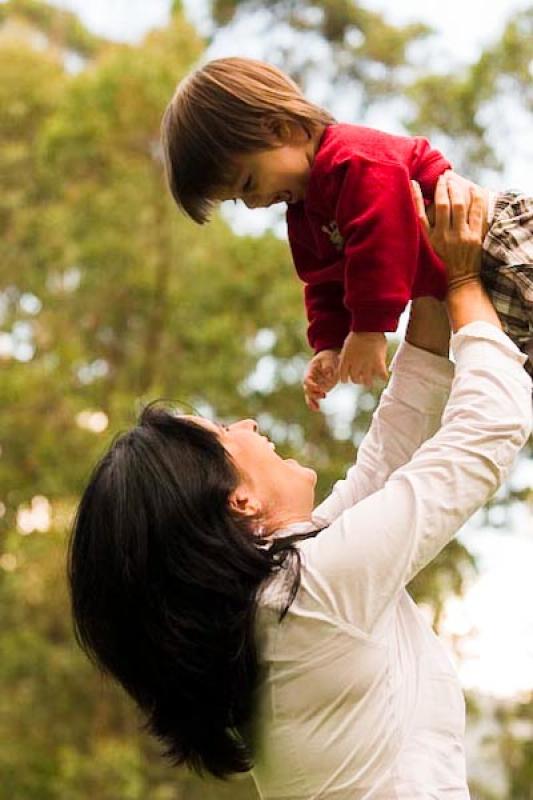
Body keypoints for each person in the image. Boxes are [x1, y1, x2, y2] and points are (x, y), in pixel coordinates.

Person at [68, 178, 531, 798]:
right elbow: (489, 428)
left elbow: (389, 460)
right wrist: (463, 285)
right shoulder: (305, 600)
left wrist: (427, 279)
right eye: (228, 432)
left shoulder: (280, 603)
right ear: (239, 501)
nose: (250, 425)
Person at [160, 56, 533, 408]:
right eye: (240, 201)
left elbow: (383, 235)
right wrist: (330, 343)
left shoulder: (351, 161)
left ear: (280, 129)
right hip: (472, 289)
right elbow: (323, 283)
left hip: (499, 241)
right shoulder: (303, 215)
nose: (256, 203)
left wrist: (370, 328)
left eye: (248, 183)